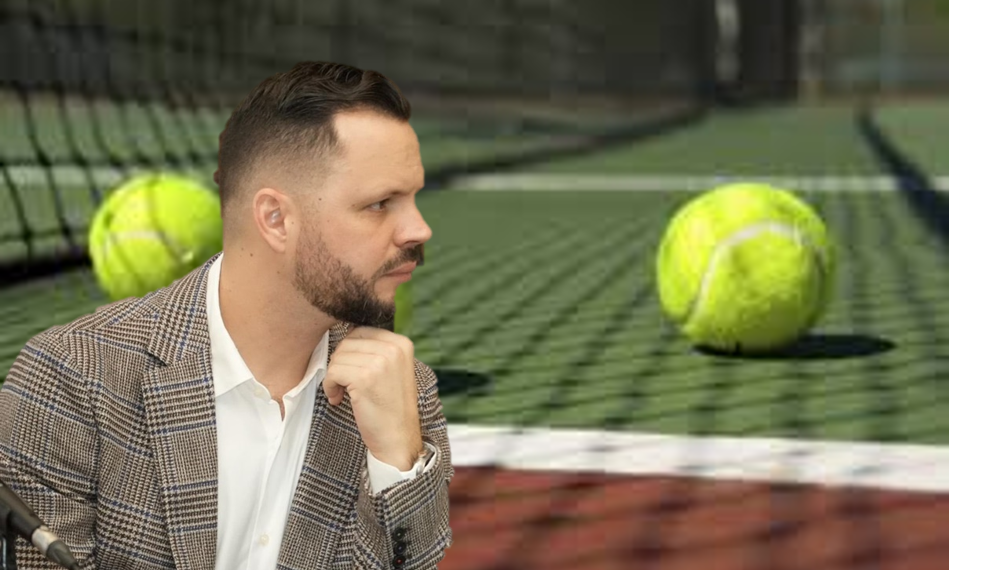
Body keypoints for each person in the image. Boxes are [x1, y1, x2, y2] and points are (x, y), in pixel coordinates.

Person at [0, 61, 452, 569]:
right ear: (276, 219)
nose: (418, 229)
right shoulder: (71, 378)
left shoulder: (403, 392)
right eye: (379, 204)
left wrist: (397, 464)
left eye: (411, 198)